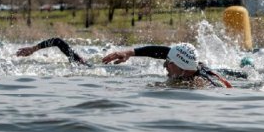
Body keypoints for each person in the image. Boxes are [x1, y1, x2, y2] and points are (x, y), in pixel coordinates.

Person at [17, 37, 232, 87]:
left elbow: (166, 53)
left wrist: (129, 53)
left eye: (168, 63)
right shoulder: (89, 68)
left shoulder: (202, 76)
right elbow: (58, 41)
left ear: (181, 67)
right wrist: (33, 50)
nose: (164, 65)